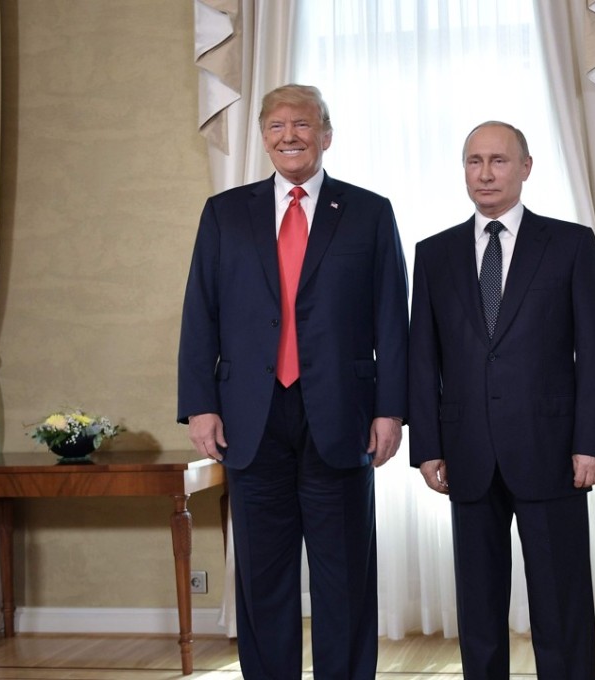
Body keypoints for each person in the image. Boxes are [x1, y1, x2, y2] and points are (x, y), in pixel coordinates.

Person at [177, 84, 409, 680]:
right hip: (250, 418)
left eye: (302, 124)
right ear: (263, 137)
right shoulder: (225, 213)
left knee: (345, 575)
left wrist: (391, 410)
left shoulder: (369, 212)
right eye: (277, 126)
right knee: (263, 577)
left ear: (325, 135)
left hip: (342, 416)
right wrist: (200, 405)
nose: (290, 136)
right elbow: (200, 312)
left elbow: (392, 318)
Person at [408, 121, 595, 680]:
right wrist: (427, 445)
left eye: (498, 160)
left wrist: (593, 442)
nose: (485, 173)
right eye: (474, 161)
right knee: (478, 607)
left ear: (525, 168)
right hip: (466, 451)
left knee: (561, 602)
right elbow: (422, 357)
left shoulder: (570, 245)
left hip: (553, 450)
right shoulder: (434, 254)